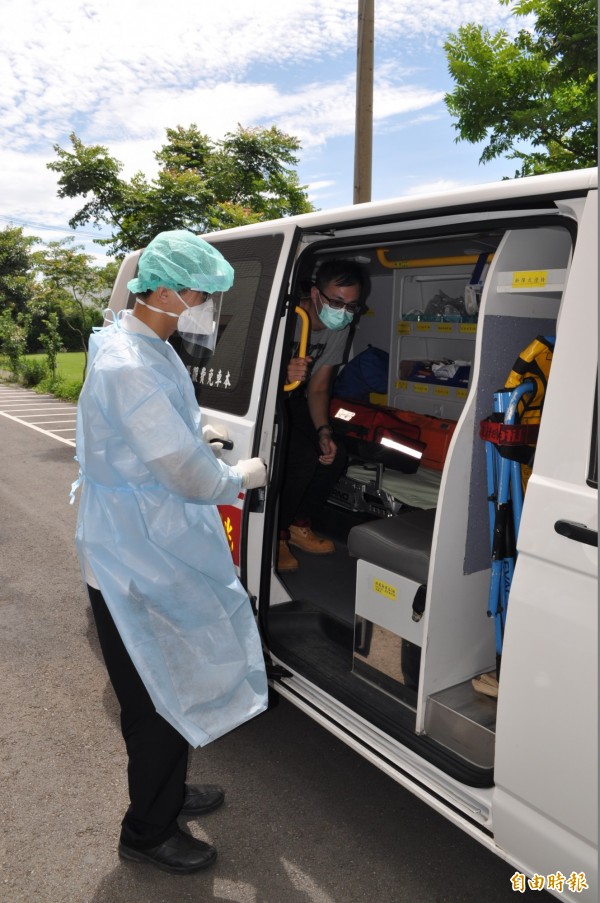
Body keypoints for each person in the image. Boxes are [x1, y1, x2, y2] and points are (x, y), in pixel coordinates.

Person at [71, 230, 268, 874]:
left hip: (152, 540)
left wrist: (196, 430)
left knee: (172, 674)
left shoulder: (144, 343)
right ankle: (147, 830)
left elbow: (164, 425)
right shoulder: (129, 363)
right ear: (161, 288)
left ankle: (171, 792)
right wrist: (239, 476)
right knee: (153, 695)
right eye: (201, 294)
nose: (207, 306)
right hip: (136, 556)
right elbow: (187, 477)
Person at [278, 259, 365, 571]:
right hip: (267, 401)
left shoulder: (338, 329)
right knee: (299, 456)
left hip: (295, 399)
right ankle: (276, 533)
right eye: (336, 302)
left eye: (351, 306)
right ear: (315, 293)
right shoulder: (286, 317)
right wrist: (279, 373)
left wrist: (324, 430)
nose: (342, 311)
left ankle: (298, 522)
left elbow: (318, 389)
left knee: (333, 454)